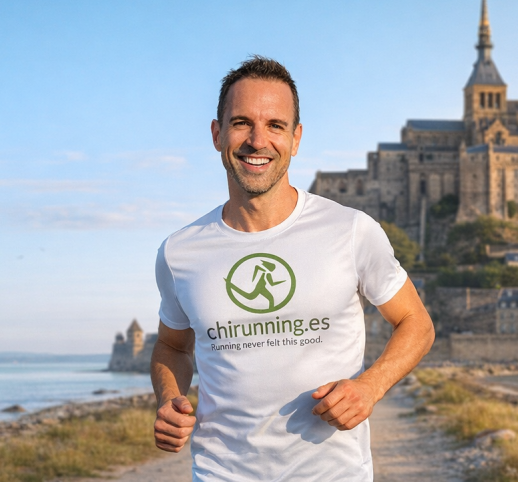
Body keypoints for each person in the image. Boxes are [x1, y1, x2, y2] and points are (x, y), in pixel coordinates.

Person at [150, 56, 435, 480]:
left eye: (275, 125)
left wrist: (369, 387)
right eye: (241, 123)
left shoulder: (351, 230)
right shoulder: (179, 251)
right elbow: (172, 347)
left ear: (296, 138)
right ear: (217, 134)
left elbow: (417, 323)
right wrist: (169, 399)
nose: (257, 140)